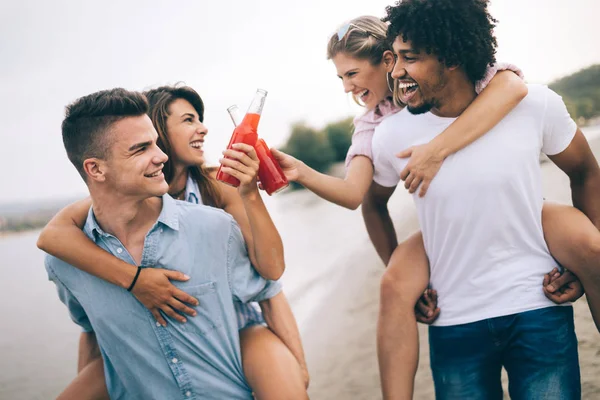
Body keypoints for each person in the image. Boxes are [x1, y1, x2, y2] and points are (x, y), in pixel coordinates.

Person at [271, 14, 536, 398]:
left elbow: (512, 85)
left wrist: (436, 150)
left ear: (387, 59)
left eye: (352, 73)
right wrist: (300, 171)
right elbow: (354, 196)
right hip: (442, 226)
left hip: (504, 206)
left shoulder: (443, 79)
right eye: (341, 78)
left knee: (586, 245)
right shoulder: (371, 126)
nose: (347, 87)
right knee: (394, 283)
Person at [365, 0, 600, 398]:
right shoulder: (391, 136)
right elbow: (372, 203)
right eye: (396, 56)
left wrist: (580, 260)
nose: (397, 70)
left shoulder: (533, 105)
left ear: (452, 57)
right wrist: (407, 280)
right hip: (455, 322)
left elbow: (586, 172)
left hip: (537, 308)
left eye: (411, 58)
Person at [39, 87, 307, 399]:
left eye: (152, 144)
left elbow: (271, 277)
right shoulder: (87, 231)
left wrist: (299, 366)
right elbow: (58, 242)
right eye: (188, 120)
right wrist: (134, 279)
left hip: (238, 330)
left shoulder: (216, 203)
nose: (203, 128)